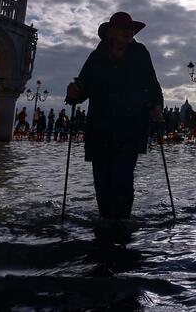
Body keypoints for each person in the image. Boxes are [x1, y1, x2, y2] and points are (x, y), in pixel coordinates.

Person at [65, 12, 163, 220]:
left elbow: (152, 85)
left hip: (131, 126)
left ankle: (122, 223)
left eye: (131, 29)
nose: (129, 32)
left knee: (124, 177)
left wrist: (157, 106)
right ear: (110, 33)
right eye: (124, 29)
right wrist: (73, 93)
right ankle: (105, 222)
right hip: (99, 127)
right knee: (102, 180)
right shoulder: (96, 57)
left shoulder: (140, 53)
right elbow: (83, 88)